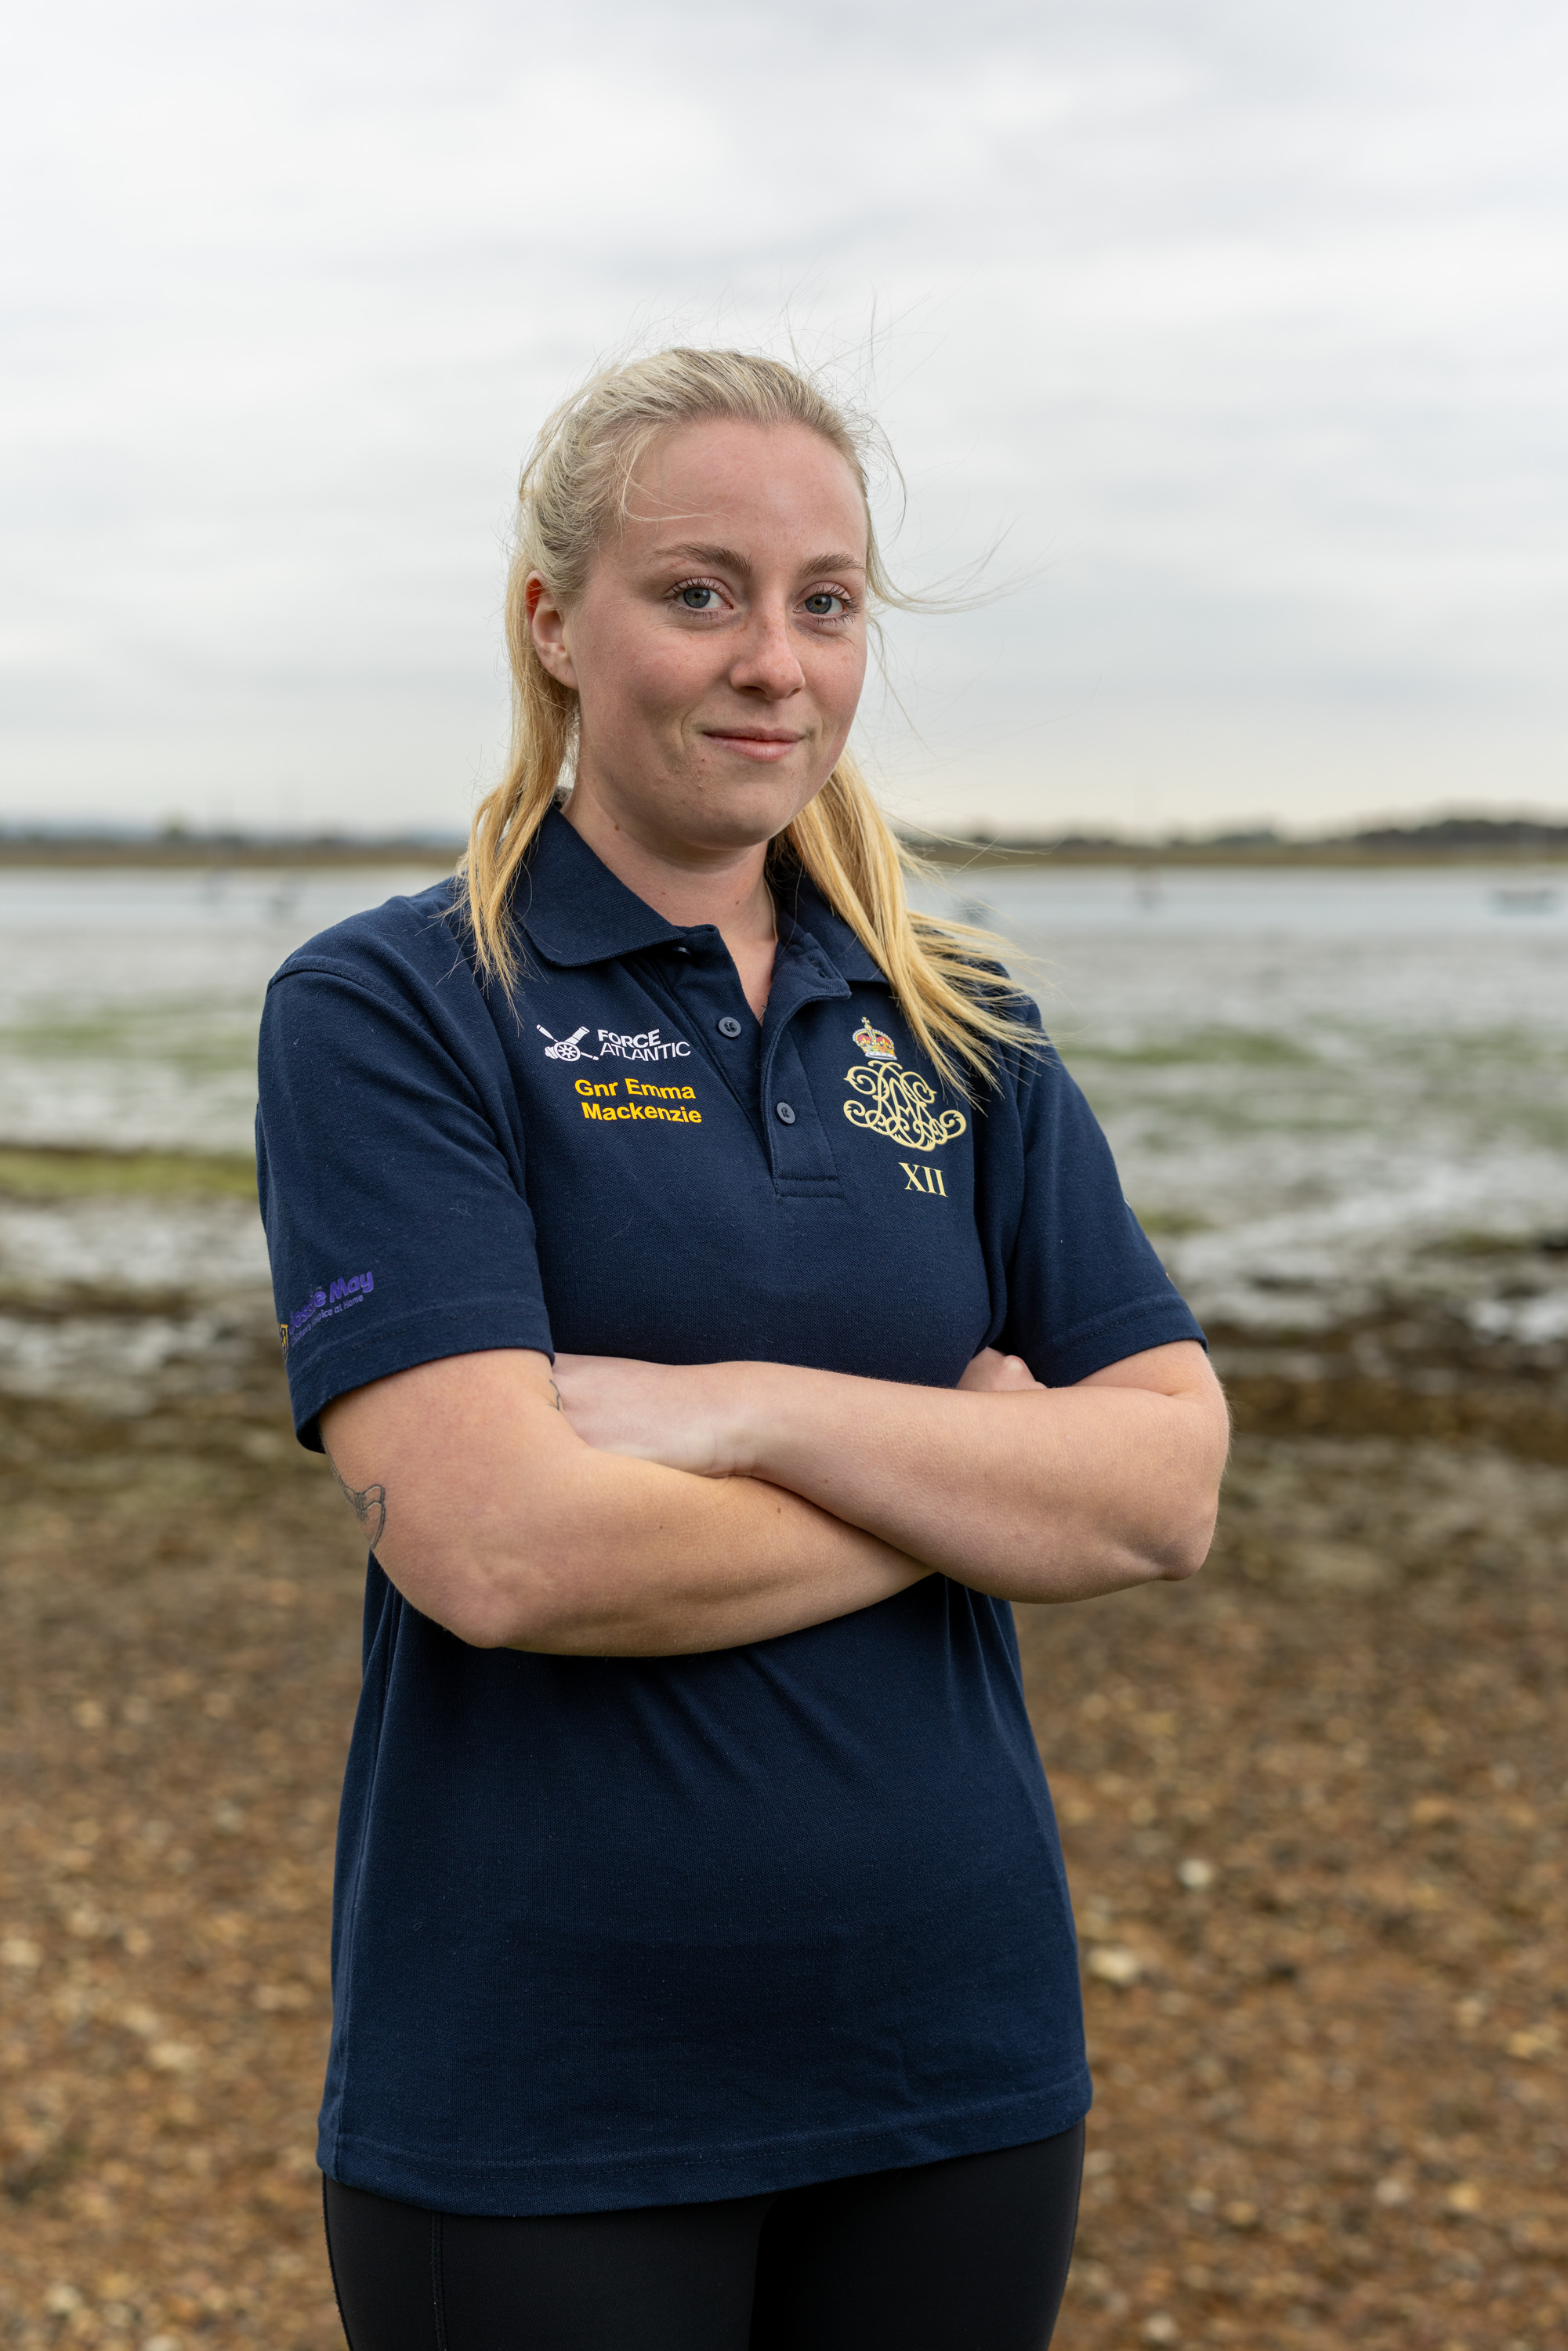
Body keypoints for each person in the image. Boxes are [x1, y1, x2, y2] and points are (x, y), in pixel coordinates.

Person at [255, 348, 1229, 2351]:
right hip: (544, 2091)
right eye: (698, 593)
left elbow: (1167, 1485)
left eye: (824, 602)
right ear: (555, 628)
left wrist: (744, 1415)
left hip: (955, 2064)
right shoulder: (392, 1009)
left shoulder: (960, 1024)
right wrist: (970, 1484)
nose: (770, 660)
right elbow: (502, 1554)